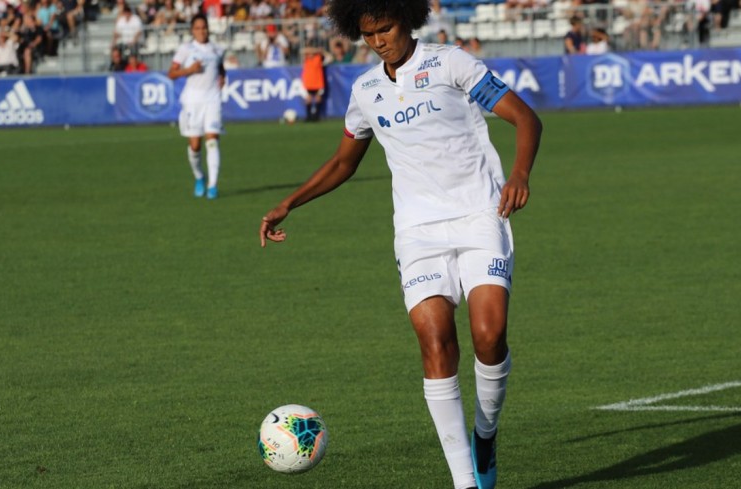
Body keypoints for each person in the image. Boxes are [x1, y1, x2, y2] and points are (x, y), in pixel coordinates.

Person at [258, 0, 543, 488]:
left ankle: (486, 433)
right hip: (417, 232)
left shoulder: (451, 63)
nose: (378, 41)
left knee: (489, 336)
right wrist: (290, 202)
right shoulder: (366, 90)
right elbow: (343, 162)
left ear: (407, 20)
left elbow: (526, 118)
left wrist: (519, 174)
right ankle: (465, 482)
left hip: (480, 213)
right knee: (435, 343)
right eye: (368, 34)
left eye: (385, 29)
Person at [168, 13, 226, 199]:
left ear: (208, 29)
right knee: (195, 145)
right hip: (192, 101)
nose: (201, 31)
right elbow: (171, 73)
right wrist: (189, 70)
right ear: (192, 31)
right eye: (198, 28)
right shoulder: (186, 49)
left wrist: (222, 78)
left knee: (212, 140)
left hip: (212, 99)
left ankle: (212, 186)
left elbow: (220, 67)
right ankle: (200, 176)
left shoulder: (217, 49)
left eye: (204, 28)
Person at [300, 37, 324, 122]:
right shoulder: (306, 57)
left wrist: (319, 51)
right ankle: (309, 116)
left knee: (318, 98)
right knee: (308, 99)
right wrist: (316, 50)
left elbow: (328, 56)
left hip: (318, 81)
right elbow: (302, 51)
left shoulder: (318, 57)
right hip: (308, 82)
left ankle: (316, 116)